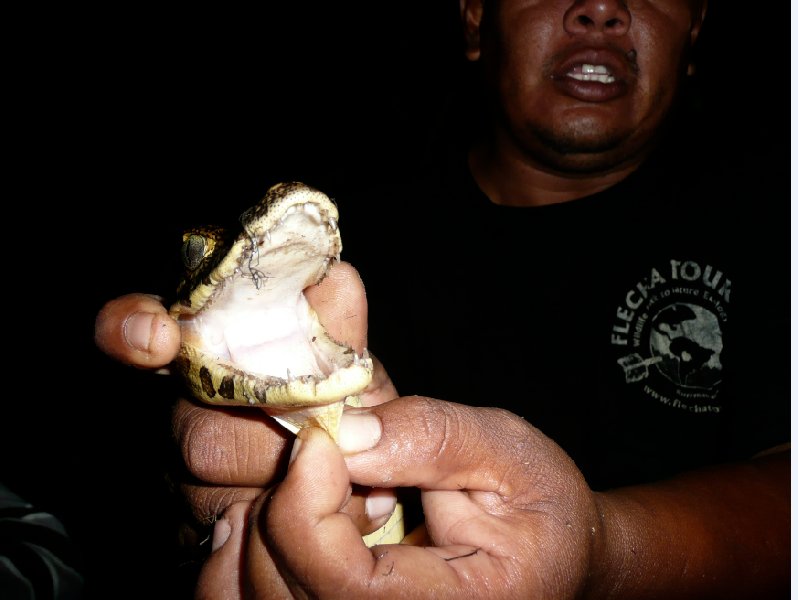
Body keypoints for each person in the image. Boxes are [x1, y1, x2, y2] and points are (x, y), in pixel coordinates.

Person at [94, 0, 790, 597]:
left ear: (695, 32)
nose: (601, 6)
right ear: (475, 21)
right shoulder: (346, 239)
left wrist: (599, 552)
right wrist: (216, 498)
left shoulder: (771, 216)